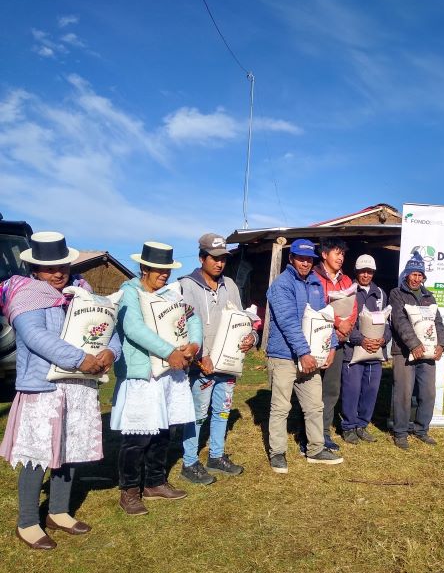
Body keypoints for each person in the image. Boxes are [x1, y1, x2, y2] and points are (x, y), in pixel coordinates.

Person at [0, 232, 120, 549]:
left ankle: (58, 512)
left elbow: (107, 327)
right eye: (48, 267)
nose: (57, 273)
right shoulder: (26, 295)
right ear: (34, 269)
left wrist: (110, 352)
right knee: (37, 453)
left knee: (69, 449)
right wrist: (80, 359)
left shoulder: (82, 292)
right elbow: (36, 336)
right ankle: (27, 522)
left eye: (62, 266)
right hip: (43, 387)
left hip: (78, 387)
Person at [111, 242, 201, 515]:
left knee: (164, 429)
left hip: (168, 374)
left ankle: (154, 482)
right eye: (158, 269)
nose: (164, 274)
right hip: (142, 374)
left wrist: (194, 344)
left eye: (167, 270)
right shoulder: (130, 293)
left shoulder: (170, 295)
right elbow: (133, 327)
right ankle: (129, 491)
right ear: (144, 268)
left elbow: (191, 317)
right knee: (138, 435)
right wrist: (168, 351)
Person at [178, 233, 257, 485]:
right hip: (202, 363)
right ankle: (189, 462)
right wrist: (201, 356)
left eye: (223, 258)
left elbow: (241, 318)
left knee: (222, 410)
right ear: (202, 258)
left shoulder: (230, 286)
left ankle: (216, 455)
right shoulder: (186, 286)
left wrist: (251, 336)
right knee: (198, 412)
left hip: (228, 361)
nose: (219, 263)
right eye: (214, 258)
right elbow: (185, 325)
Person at [266, 238, 343, 473]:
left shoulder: (315, 284)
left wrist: (332, 345)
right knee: (281, 407)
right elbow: (288, 322)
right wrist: (304, 352)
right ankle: (277, 453)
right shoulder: (282, 285)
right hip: (284, 356)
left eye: (309, 259)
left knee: (314, 405)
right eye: (300, 258)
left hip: (309, 357)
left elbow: (325, 318)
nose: (305, 263)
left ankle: (315, 448)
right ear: (291, 259)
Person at [389, 251, 444, 450]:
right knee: (403, 393)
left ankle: (422, 429)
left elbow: (437, 322)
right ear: (406, 275)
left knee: (428, 392)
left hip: (428, 353)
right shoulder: (396, 294)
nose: (416, 278)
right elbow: (399, 321)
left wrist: (442, 345)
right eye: (413, 274)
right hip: (404, 352)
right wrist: (414, 344)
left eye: (419, 275)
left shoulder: (428, 296)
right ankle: (401, 432)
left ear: (423, 277)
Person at [340, 254, 390, 445]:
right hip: (353, 351)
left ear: (373, 272)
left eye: (369, 271)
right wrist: (360, 339)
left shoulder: (381, 294)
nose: (366, 275)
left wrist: (383, 339)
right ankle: (348, 426)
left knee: (370, 390)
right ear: (357, 271)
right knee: (351, 390)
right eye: (362, 271)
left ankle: (362, 425)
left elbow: (387, 323)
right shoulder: (349, 291)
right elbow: (345, 321)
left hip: (375, 352)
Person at [313, 238, 357, 451]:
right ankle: (309, 432)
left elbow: (354, 306)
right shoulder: (313, 277)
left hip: (338, 343)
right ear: (324, 254)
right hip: (315, 340)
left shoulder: (346, 280)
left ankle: (324, 433)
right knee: (311, 388)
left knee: (331, 389)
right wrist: (339, 323)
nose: (340, 258)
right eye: (336, 253)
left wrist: (347, 327)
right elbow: (316, 306)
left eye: (342, 254)